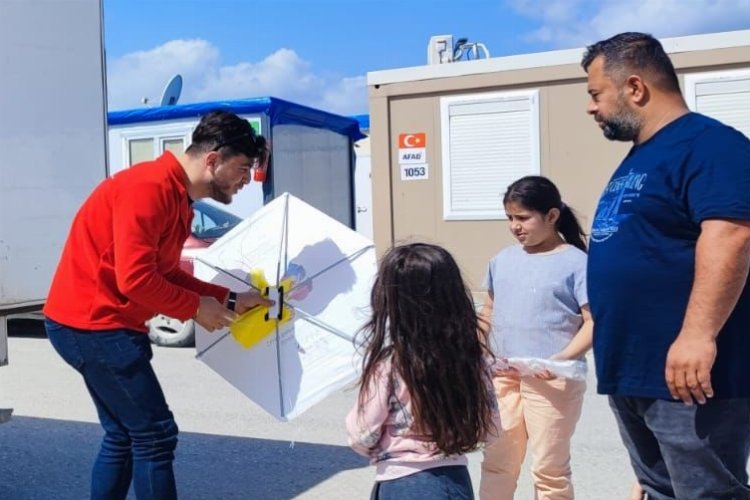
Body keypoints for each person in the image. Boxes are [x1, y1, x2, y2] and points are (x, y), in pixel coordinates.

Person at [43, 110, 272, 500]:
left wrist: (230, 298)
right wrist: (196, 308)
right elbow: (134, 280)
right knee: (155, 435)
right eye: (243, 168)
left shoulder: (175, 196)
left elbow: (164, 273)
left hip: (97, 324)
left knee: (125, 435)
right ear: (213, 159)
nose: (246, 181)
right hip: (94, 325)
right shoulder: (148, 188)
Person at [583, 32, 750, 499]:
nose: (591, 108)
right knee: (660, 490)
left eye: (596, 94)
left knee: (709, 493)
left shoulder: (711, 145)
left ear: (635, 87)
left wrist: (698, 335)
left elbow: (732, 235)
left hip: (689, 376)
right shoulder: (642, 156)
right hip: (633, 368)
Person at [345, 243, 499, 500]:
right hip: (456, 481)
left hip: (402, 481)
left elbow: (362, 434)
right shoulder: (471, 359)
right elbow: (490, 429)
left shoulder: (390, 365)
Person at [478, 176, 592, 500]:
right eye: (510, 218)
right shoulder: (501, 261)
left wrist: (561, 359)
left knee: (549, 469)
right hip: (502, 377)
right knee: (498, 463)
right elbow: (488, 311)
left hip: (553, 379)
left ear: (552, 215)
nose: (515, 226)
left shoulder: (577, 263)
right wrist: (476, 348)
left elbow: (593, 322)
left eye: (523, 217)